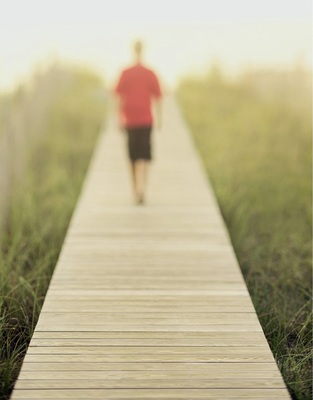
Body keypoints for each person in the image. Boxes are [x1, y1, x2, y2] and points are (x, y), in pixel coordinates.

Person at [114, 40, 162, 205]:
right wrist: (159, 118)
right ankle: (141, 189)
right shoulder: (150, 72)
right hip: (145, 119)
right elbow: (158, 97)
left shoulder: (125, 72)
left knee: (133, 157)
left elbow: (119, 97)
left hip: (131, 119)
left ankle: (137, 189)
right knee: (143, 156)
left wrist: (119, 117)